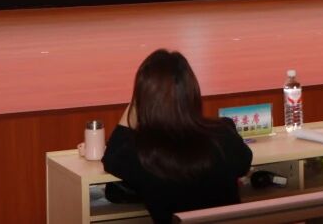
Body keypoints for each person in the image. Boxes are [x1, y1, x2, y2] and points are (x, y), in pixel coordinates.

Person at [102, 49, 253, 224]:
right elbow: (244, 163)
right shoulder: (224, 133)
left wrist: (137, 101)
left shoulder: (139, 153)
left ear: (142, 100)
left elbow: (111, 156)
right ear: (193, 91)